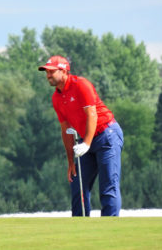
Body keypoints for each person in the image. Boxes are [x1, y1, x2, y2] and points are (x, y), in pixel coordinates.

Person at [38, 55, 124, 216]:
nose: (48, 75)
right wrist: (71, 161)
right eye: (46, 72)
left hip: (107, 135)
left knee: (108, 186)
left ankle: (110, 229)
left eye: (51, 71)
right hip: (86, 141)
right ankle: (80, 229)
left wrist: (86, 143)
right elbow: (66, 129)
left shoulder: (81, 85)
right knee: (77, 185)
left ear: (63, 71)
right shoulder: (56, 98)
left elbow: (92, 115)